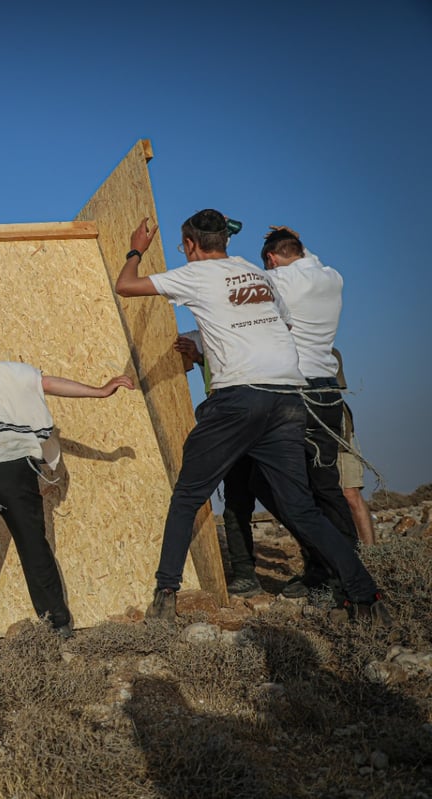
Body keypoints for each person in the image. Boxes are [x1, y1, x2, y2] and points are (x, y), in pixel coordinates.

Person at [114, 210, 390, 625]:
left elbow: (125, 286)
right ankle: (365, 594)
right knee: (302, 509)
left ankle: (165, 596)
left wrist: (137, 248)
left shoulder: (196, 274)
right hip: (287, 397)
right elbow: (282, 324)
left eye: (183, 246)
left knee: (188, 496)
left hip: (239, 397)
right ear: (226, 240)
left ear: (191, 245)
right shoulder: (257, 274)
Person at [0, 321, 135, 652]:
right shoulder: (13, 372)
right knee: (34, 547)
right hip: (13, 468)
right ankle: (58, 625)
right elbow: (51, 384)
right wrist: (101, 389)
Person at [257, 227, 357, 596]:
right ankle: (340, 566)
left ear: (270, 259)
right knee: (326, 486)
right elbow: (306, 259)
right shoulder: (331, 278)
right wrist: (292, 238)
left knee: (279, 485)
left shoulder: (274, 281)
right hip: (328, 391)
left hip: (295, 392)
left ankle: (332, 568)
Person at [174, 333, 261, 597]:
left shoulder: (244, 329)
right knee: (236, 503)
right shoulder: (206, 333)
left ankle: (322, 568)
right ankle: (245, 574)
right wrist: (199, 358)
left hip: (257, 416)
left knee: (289, 500)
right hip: (227, 419)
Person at [333, 348, 376, 546]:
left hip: (337, 430)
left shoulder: (329, 351)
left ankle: (372, 555)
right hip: (300, 432)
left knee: (350, 492)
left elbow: (333, 387)